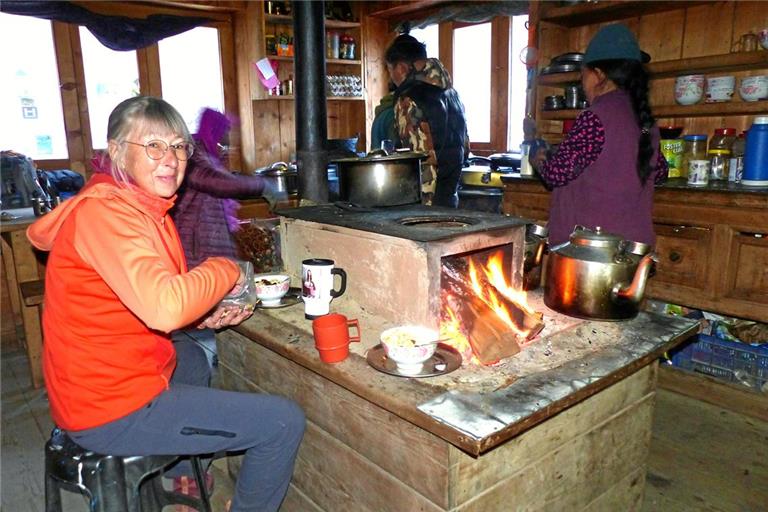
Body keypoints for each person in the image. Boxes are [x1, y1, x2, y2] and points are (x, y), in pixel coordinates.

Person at [26, 96, 305, 512]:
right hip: (107, 408)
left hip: (93, 381)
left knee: (192, 357)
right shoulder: (107, 215)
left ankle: (184, 480)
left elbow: (138, 301)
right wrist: (226, 269)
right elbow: (162, 308)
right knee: (283, 422)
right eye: (153, 146)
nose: (170, 158)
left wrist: (204, 313)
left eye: (178, 146)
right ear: (118, 151)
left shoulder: (139, 207)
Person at [531, 24, 668, 246]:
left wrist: (540, 159)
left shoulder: (596, 117)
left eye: (582, 75)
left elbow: (557, 173)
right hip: (634, 248)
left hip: (592, 250)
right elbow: (660, 171)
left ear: (599, 73)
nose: (583, 84)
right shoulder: (645, 119)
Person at [171, 107, 275, 368]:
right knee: (201, 306)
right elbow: (218, 182)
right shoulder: (193, 155)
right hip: (195, 245)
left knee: (215, 303)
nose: (227, 139)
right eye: (223, 133)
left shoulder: (206, 152)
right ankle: (201, 363)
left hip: (208, 240)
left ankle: (215, 358)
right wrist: (262, 185)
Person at [385, 33, 468, 208]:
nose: (390, 77)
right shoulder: (454, 95)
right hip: (450, 198)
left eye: (389, 70)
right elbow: (465, 148)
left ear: (400, 68)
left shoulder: (408, 99)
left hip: (424, 203)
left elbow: (413, 157)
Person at [370, 82, 397, 151]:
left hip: (378, 159)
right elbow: (394, 148)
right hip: (391, 161)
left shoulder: (381, 112)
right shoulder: (393, 113)